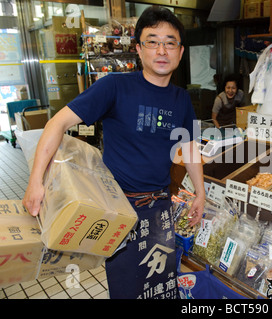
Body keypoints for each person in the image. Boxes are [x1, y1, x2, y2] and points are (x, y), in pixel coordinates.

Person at [22, 7, 205, 299]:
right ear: (138, 49)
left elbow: (190, 146)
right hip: (119, 210)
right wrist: (35, 182)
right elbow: (57, 123)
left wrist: (200, 192)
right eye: (152, 41)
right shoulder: (115, 87)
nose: (161, 50)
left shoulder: (181, 99)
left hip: (159, 209)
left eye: (170, 42)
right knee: (127, 289)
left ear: (180, 52)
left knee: (161, 287)